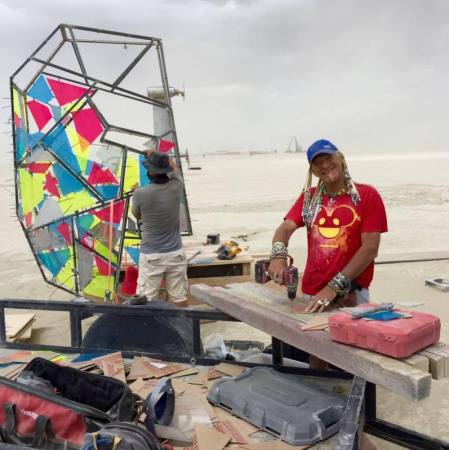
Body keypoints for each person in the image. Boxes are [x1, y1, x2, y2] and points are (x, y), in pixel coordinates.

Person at [269, 139, 388, 313]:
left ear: (340, 158)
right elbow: (285, 229)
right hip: (312, 293)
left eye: (328, 158)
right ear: (313, 171)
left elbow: (370, 249)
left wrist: (333, 288)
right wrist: (278, 256)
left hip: (350, 294)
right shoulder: (309, 197)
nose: (324, 165)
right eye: (317, 163)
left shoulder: (367, 195)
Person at [132, 150, 188, 307]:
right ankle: (186, 329)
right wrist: (160, 156)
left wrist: (134, 194)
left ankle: (148, 331)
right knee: (179, 297)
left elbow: (137, 215)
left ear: (150, 172)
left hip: (152, 256)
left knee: (146, 300)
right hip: (176, 253)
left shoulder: (139, 194)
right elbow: (176, 170)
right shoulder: (177, 187)